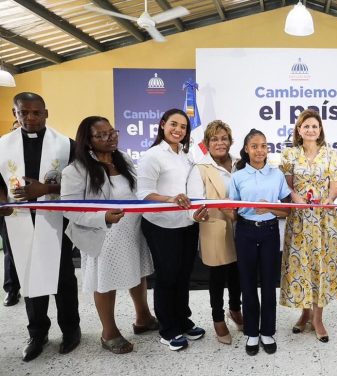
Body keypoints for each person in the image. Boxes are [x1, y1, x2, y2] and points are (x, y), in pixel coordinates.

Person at [61, 116, 157, 354]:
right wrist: (103, 217)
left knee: (139, 272)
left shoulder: (122, 159)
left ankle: (143, 317)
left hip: (132, 229)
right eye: (101, 135)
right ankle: (109, 332)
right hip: (103, 234)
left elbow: (138, 191)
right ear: (88, 140)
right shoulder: (76, 169)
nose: (109, 138)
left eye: (112, 133)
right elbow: (69, 208)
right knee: (105, 281)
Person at [0, 92, 80, 361]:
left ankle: (71, 329)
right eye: (24, 112)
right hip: (18, 219)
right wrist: (3, 201)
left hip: (55, 218)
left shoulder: (66, 145)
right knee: (28, 274)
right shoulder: (2, 145)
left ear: (46, 113)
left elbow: (81, 182)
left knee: (62, 276)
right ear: (15, 114)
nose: (30, 118)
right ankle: (37, 333)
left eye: (36, 112)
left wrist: (46, 189)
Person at [137, 109, 206, 352]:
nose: (178, 130)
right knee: (167, 277)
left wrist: (195, 211)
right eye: (173, 124)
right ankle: (168, 329)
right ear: (163, 125)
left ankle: (182, 320)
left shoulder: (186, 156)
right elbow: (142, 194)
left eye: (183, 127)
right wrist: (170, 200)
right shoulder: (152, 156)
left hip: (186, 224)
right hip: (161, 225)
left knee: (183, 275)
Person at [279, 109, 337, 343]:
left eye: (315, 126)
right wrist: (295, 197)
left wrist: (329, 200)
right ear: (299, 130)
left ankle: (318, 318)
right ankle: (304, 313)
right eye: (306, 126)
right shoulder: (289, 155)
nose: (311, 129)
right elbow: (287, 187)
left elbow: (335, 187)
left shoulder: (332, 154)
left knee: (321, 266)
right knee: (302, 266)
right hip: (299, 221)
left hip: (323, 220)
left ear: (320, 130)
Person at [228, 129, 291, 356]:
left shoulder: (277, 175)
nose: (260, 150)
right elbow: (233, 211)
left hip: (269, 231)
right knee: (247, 283)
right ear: (246, 149)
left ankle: (267, 331)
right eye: (254, 146)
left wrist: (270, 208)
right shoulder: (237, 177)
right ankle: (252, 332)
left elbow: (287, 211)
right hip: (245, 231)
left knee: (267, 283)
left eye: (264, 145)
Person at [186, 120, 243, 345]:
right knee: (218, 277)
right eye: (215, 139)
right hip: (215, 227)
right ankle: (218, 318)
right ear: (206, 143)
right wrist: (194, 215)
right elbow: (193, 202)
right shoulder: (200, 169)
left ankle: (235, 310)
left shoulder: (240, 164)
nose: (220, 143)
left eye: (224, 138)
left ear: (230, 141)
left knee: (237, 274)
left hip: (242, 228)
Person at [2, 121, 21, 307]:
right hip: (9, 209)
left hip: (42, 209)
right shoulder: (3, 150)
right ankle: (12, 289)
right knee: (11, 252)